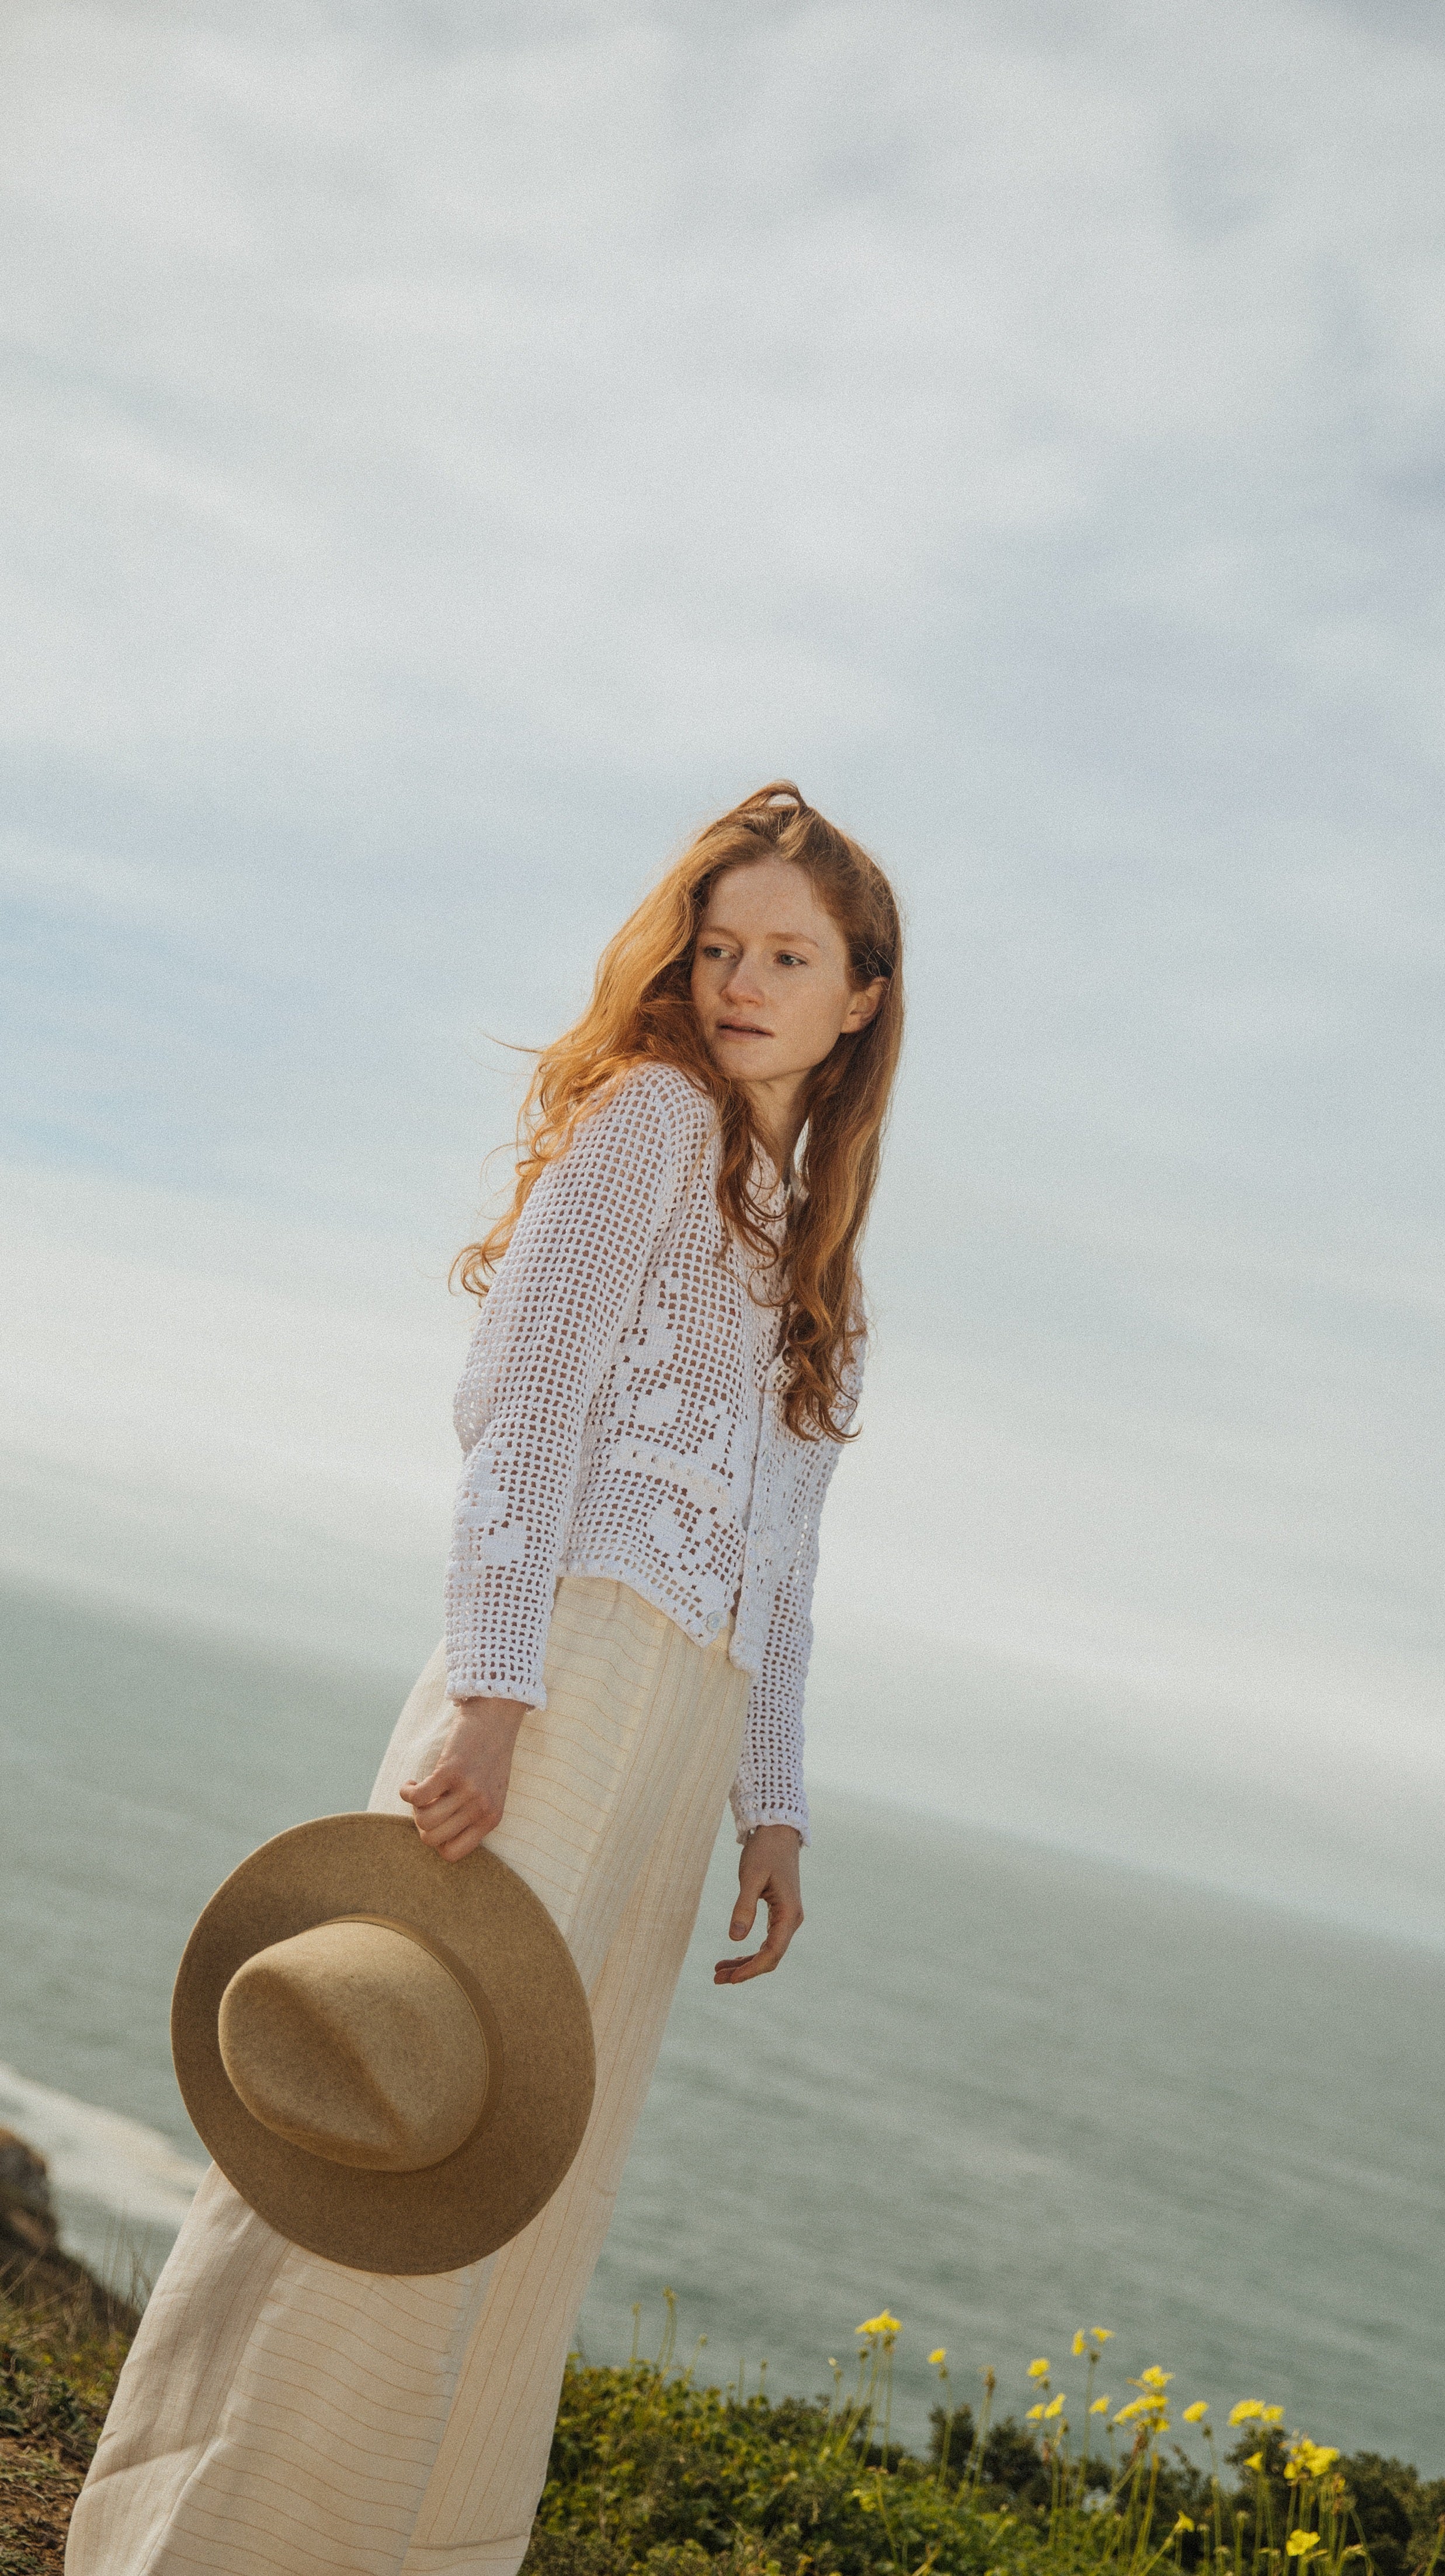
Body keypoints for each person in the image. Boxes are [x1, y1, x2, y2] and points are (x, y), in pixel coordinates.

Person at [68, 780, 905, 2576]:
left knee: (524, 2169)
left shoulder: (819, 1256)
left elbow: (789, 1573)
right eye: (720, 938)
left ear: (859, 997)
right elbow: (516, 1408)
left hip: (683, 1743)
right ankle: (197, 2538)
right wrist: (501, 1687)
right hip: (567, 1669)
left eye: (789, 954)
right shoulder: (650, 1126)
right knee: (391, 2113)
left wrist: (775, 1806)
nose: (740, 976)